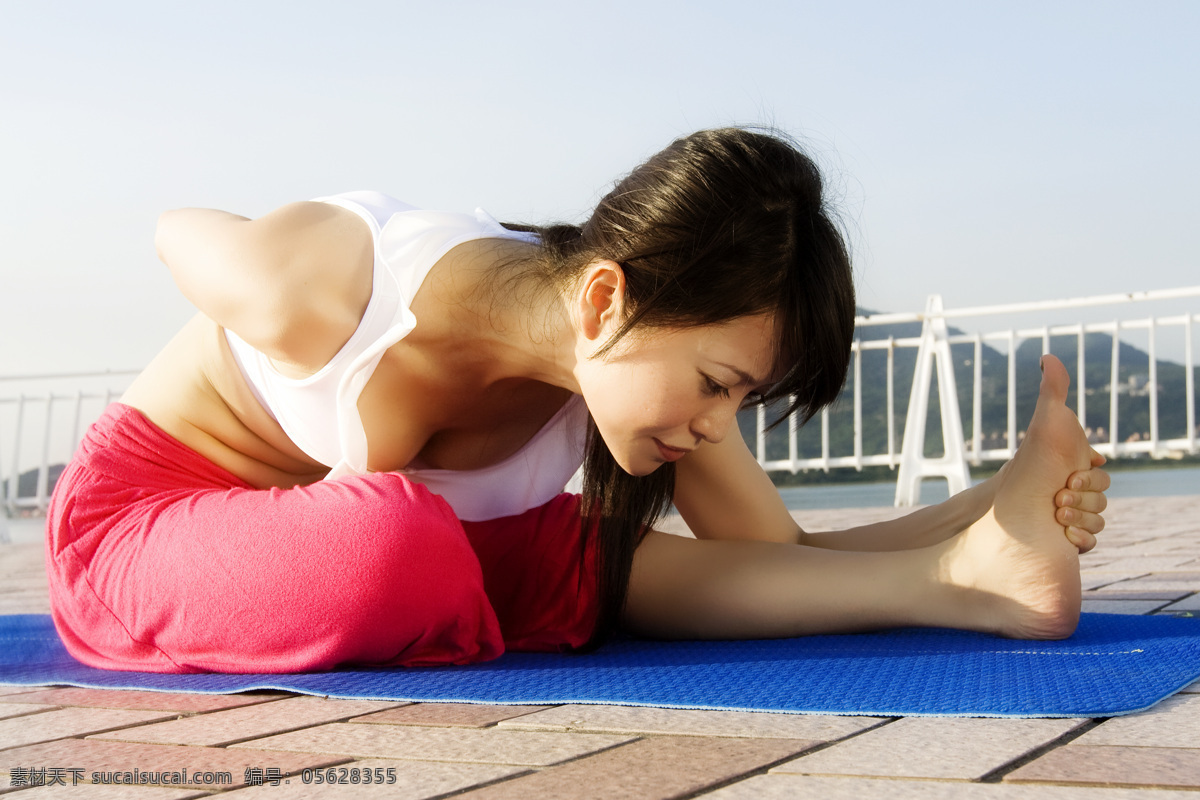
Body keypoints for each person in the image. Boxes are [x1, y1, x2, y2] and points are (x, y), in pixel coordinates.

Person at [45, 128, 1109, 674]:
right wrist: (257, 283)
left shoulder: (625, 366)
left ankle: (971, 566)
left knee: (500, 545)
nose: (712, 423)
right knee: (401, 540)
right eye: (716, 386)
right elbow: (174, 225)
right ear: (606, 296)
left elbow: (768, 548)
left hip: (414, 534)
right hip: (150, 519)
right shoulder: (323, 288)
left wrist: (981, 513)